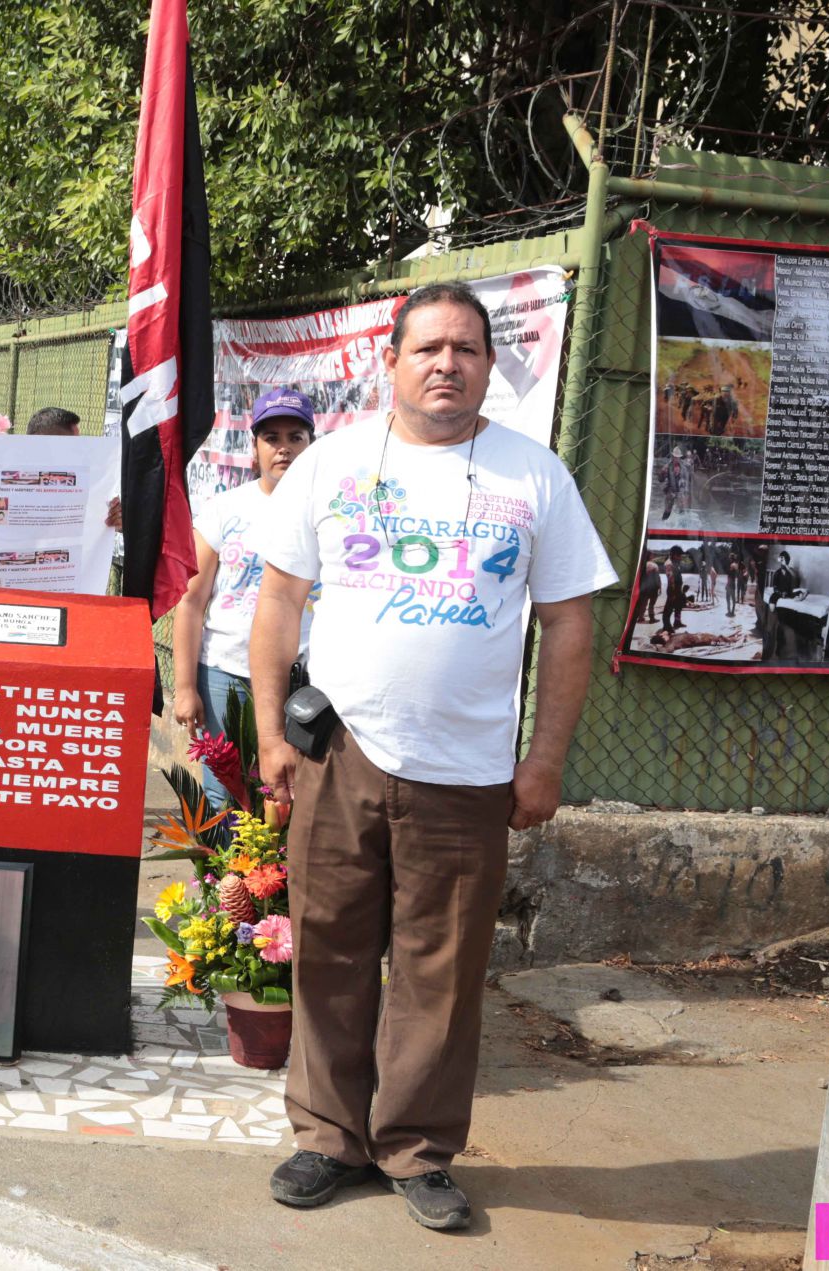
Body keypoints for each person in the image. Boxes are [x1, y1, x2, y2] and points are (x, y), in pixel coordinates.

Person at [250, 283, 617, 1230]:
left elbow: (569, 622)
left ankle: (415, 1148)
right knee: (327, 947)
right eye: (427, 348)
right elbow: (279, 604)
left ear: (491, 366)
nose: (446, 363)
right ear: (393, 362)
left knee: (441, 968)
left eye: (465, 348)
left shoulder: (534, 478)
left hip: (468, 769)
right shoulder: (330, 465)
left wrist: (545, 756)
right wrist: (266, 733)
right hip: (343, 753)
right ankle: (327, 1136)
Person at [170, 387, 315, 804]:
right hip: (225, 674)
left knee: (293, 795)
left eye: (295, 438)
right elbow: (192, 602)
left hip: (302, 680)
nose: (284, 449)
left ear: (311, 445)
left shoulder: (329, 515)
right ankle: (222, 874)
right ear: (254, 447)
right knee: (225, 792)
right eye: (272, 438)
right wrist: (184, 687)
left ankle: (277, 874)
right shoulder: (225, 510)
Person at [659, 545, 690, 634]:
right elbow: (670, 577)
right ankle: (666, 626)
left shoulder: (676, 562)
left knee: (678, 606)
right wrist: (673, 592)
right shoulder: (669, 563)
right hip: (672, 588)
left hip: (678, 588)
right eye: (679, 555)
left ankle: (677, 622)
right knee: (668, 608)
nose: (680, 558)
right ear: (674, 554)